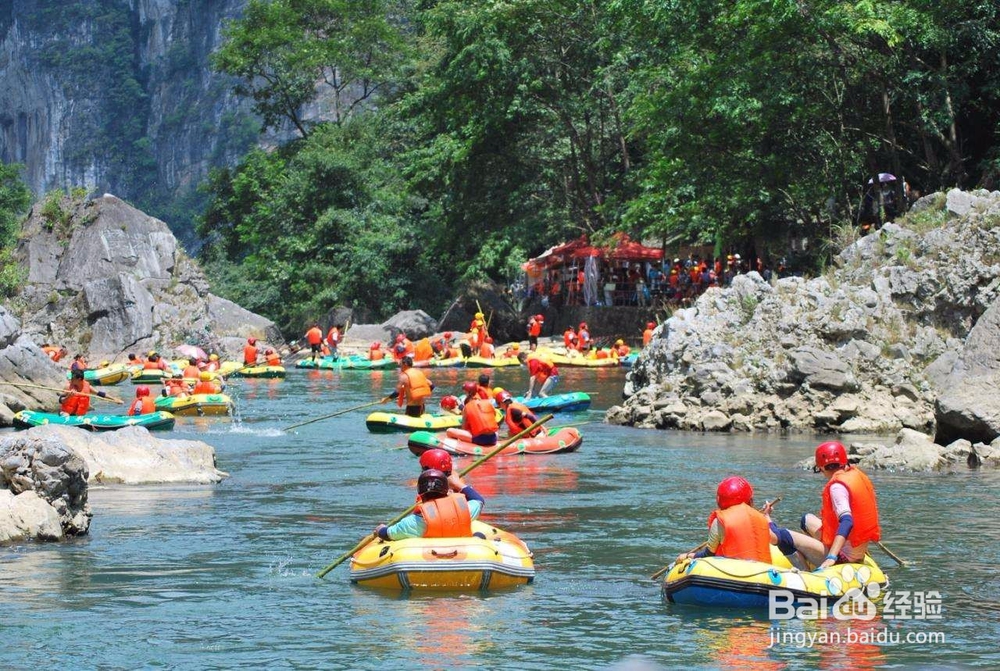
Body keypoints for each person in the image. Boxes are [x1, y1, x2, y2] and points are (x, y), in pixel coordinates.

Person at [786, 441, 881, 568]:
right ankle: (814, 555)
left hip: (844, 557)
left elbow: (847, 521)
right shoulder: (856, 475)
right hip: (857, 547)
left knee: (784, 536)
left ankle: (806, 572)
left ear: (821, 467)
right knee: (806, 520)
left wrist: (831, 557)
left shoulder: (837, 487)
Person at [675, 477, 781, 564]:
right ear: (749, 500)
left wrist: (688, 556)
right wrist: (767, 515)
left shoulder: (720, 522)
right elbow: (775, 537)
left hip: (734, 575)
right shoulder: (761, 519)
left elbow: (708, 555)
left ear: (719, 500)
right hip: (763, 575)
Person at [374, 469, 485, 540]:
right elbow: (478, 500)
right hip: (465, 553)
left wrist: (380, 529)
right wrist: (457, 483)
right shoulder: (464, 510)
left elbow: (387, 534)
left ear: (420, 495)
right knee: (479, 536)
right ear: (447, 491)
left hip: (428, 557)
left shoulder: (414, 522)